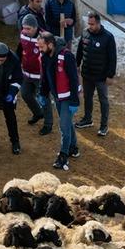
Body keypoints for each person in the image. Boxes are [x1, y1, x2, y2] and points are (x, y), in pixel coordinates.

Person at [38, 33, 82, 171]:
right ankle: (73, 148)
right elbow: (45, 77)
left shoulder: (66, 56)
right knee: (67, 122)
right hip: (57, 96)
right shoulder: (45, 56)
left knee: (63, 126)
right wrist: (43, 94)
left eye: (42, 46)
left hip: (68, 97)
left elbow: (74, 79)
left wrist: (75, 101)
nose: (40, 49)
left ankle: (63, 155)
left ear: (50, 45)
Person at [74, 11, 116, 137]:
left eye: (92, 24)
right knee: (87, 97)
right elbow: (80, 51)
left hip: (101, 76)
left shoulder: (108, 37)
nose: (90, 26)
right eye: (89, 23)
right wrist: (77, 65)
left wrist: (110, 75)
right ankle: (87, 119)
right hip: (87, 74)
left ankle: (104, 126)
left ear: (98, 23)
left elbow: (112, 58)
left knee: (103, 100)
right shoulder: (85, 33)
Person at [16, 13, 50, 134]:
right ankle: (38, 113)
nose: (25, 31)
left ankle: (48, 124)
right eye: (23, 28)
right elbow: (20, 49)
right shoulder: (23, 35)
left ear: (35, 27)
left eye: (28, 28)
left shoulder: (44, 37)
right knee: (25, 94)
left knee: (43, 99)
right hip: (26, 73)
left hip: (40, 76)